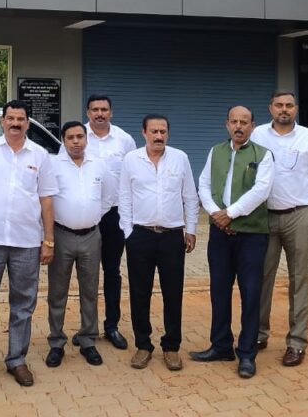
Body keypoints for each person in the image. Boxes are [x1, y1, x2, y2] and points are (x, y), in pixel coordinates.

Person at [0, 100, 58, 389]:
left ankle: (17, 360)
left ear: (28, 123)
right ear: (2, 121)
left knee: (23, 305)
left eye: (21, 119)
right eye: (11, 118)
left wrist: (49, 240)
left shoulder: (40, 155)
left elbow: (46, 200)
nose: (15, 123)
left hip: (26, 241)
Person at [191, 106, 274, 379]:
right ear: (227, 124)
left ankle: (247, 353)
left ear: (253, 126)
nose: (239, 126)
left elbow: (261, 191)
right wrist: (216, 213)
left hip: (251, 235)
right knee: (219, 291)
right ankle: (221, 346)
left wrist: (230, 214)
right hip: (220, 234)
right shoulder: (216, 151)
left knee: (250, 293)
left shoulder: (263, 155)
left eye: (244, 122)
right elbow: (203, 184)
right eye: (234, 122)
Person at [250, 92, 308, 368]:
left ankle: (296, 342)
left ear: (296, 109)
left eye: (289, 105)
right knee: (261, 277)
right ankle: (258, 334)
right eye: (279, 105)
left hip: (299, 214)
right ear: (270, 108)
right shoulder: (257, 135)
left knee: (299, 279)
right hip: (263, 216)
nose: (283, 110)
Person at [118, 115, 198, 371]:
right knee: (139, 292)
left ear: (168, 134)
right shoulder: (131, 159)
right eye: (154, 131)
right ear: (144, 133)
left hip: (172, 236)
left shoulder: (180, 158)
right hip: (140, 236)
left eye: (163, 131)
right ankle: (143, 345)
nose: (159, 136)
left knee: (173, 293)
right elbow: (124, 197)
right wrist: (128, 232)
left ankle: (171, 347)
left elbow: (190, 196)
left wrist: (191, 229)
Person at [45, 121, 115, 369]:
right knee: (57, 292)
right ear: (63, 140)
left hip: (91, 236)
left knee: (89, 290)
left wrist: (90, 216)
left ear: (86, 139)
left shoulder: (99, 165)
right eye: (70, 137)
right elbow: (45, 199)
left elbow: (109, 197)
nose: (76, 142)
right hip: (61, 235)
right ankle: (56, 342)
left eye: (80, 137)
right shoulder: (53, 165)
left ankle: (87, 340)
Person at [75, 95, 136, 350]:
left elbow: (134, 176)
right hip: (86, 215)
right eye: (95, 109)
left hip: (114, 215)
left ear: (111, 112)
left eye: (104, 109)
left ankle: (112, 326)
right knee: (86, 274)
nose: (99, 113)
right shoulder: (77, 136)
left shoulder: (124, 140)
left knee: (112, 271)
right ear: (87, 112)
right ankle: (87, 327)